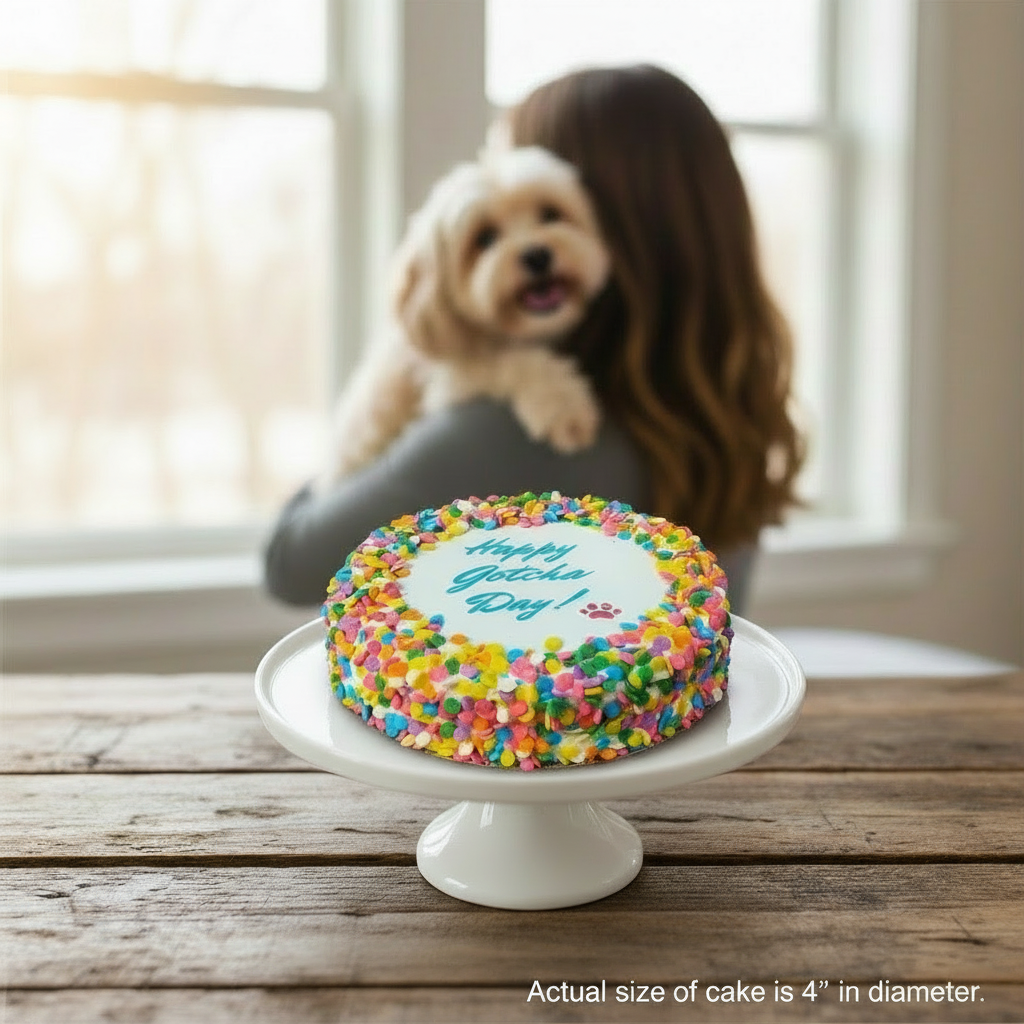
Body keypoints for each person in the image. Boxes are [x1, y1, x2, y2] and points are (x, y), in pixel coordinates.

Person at [263, 64, 803, 613]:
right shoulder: (726, 410)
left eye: (548, 210)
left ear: (605, 224)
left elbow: (290, 563)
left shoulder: (507, 429)